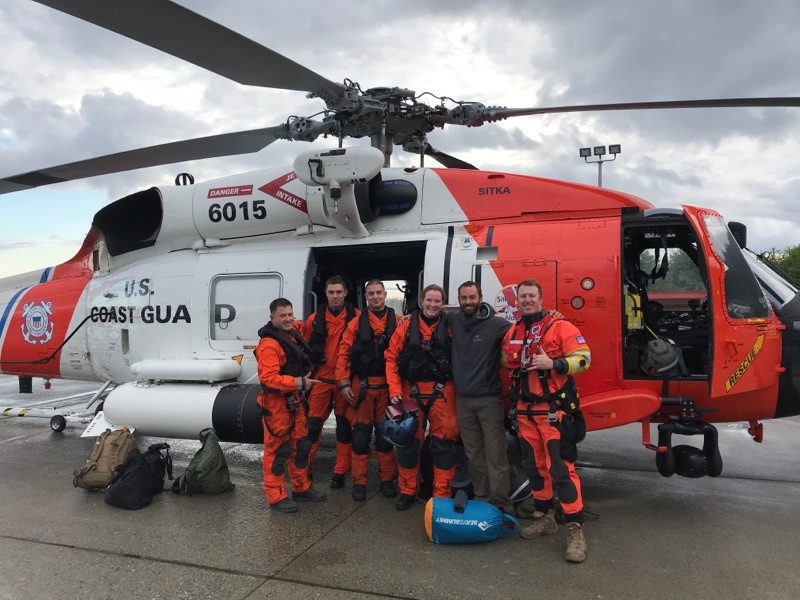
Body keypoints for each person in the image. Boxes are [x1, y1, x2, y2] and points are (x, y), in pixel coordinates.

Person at [502, 278, 591, 562]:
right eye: (522, 296)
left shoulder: (560, 327)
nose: (527, 300)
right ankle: (545, 518)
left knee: (561, 469)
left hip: (553, 413)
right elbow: (505, 361)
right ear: (517, 300)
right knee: (535, 468)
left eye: (531, 295)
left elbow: (584, 359)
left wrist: (554, 363)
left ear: (541, 298)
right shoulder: (512, 331)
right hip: (524, 413)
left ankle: (575, 529)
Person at [385, 284, 458, 510]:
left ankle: (442, 495)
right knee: (408, 443)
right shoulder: (406, 327)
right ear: (421, 301)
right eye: (429, 300)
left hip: (443, 392)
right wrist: (395, 391)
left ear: (443, 303)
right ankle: (408, 490)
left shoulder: (452, 327)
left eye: (437, 301)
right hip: (410, 391)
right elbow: (391, 358)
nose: (433, 305)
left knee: (443, 445)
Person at [255, 297, 327, 513]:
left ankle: (301, 487)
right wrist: (299, 383)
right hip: (276, 404)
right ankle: (276, 496)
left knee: (301, 446)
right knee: (278, 451)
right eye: (282, 316)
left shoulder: (291, 335)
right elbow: (269, 378)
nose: (288, 319)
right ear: (272, 318)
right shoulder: (269, 345)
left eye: (290, 314)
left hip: (294, 402)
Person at [449, 281, 513, 513]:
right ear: (459, 300)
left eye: (472, 297)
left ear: (480, 297)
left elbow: (525, 329)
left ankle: (501, 504)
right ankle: (482, 500)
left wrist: (551, 315)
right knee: (474, 455)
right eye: (464, 298)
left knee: (496, 455)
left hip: (488, 400)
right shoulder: (453, 320)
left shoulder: (496, 324)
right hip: (463, 401)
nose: (468, 302)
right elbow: (429, 314)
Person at [335, 279, 400, 501]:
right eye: (371, 293)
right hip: (362, 388)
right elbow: (343, 354)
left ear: (385, 294)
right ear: (366, 297)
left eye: (379, 292)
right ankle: (359, 482)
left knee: (385, 438)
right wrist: (343, 383)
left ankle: (387, 480)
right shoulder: (355, 324)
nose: (375, 297)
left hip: (387, 389)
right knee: (360, 437)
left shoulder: (399, 322)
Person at [303, 276, 359, 488]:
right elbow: (305, 347)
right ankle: (304, 469)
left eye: (338, 292)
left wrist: (406, 319)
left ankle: (340, 471)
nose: (335, 296)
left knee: (344, 427)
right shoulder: (313, 320)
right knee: (313, 426)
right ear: (326, 294)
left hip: (345, 382)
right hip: (321, 380)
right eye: (331, 292)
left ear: (345, 293)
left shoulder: (357, 317)